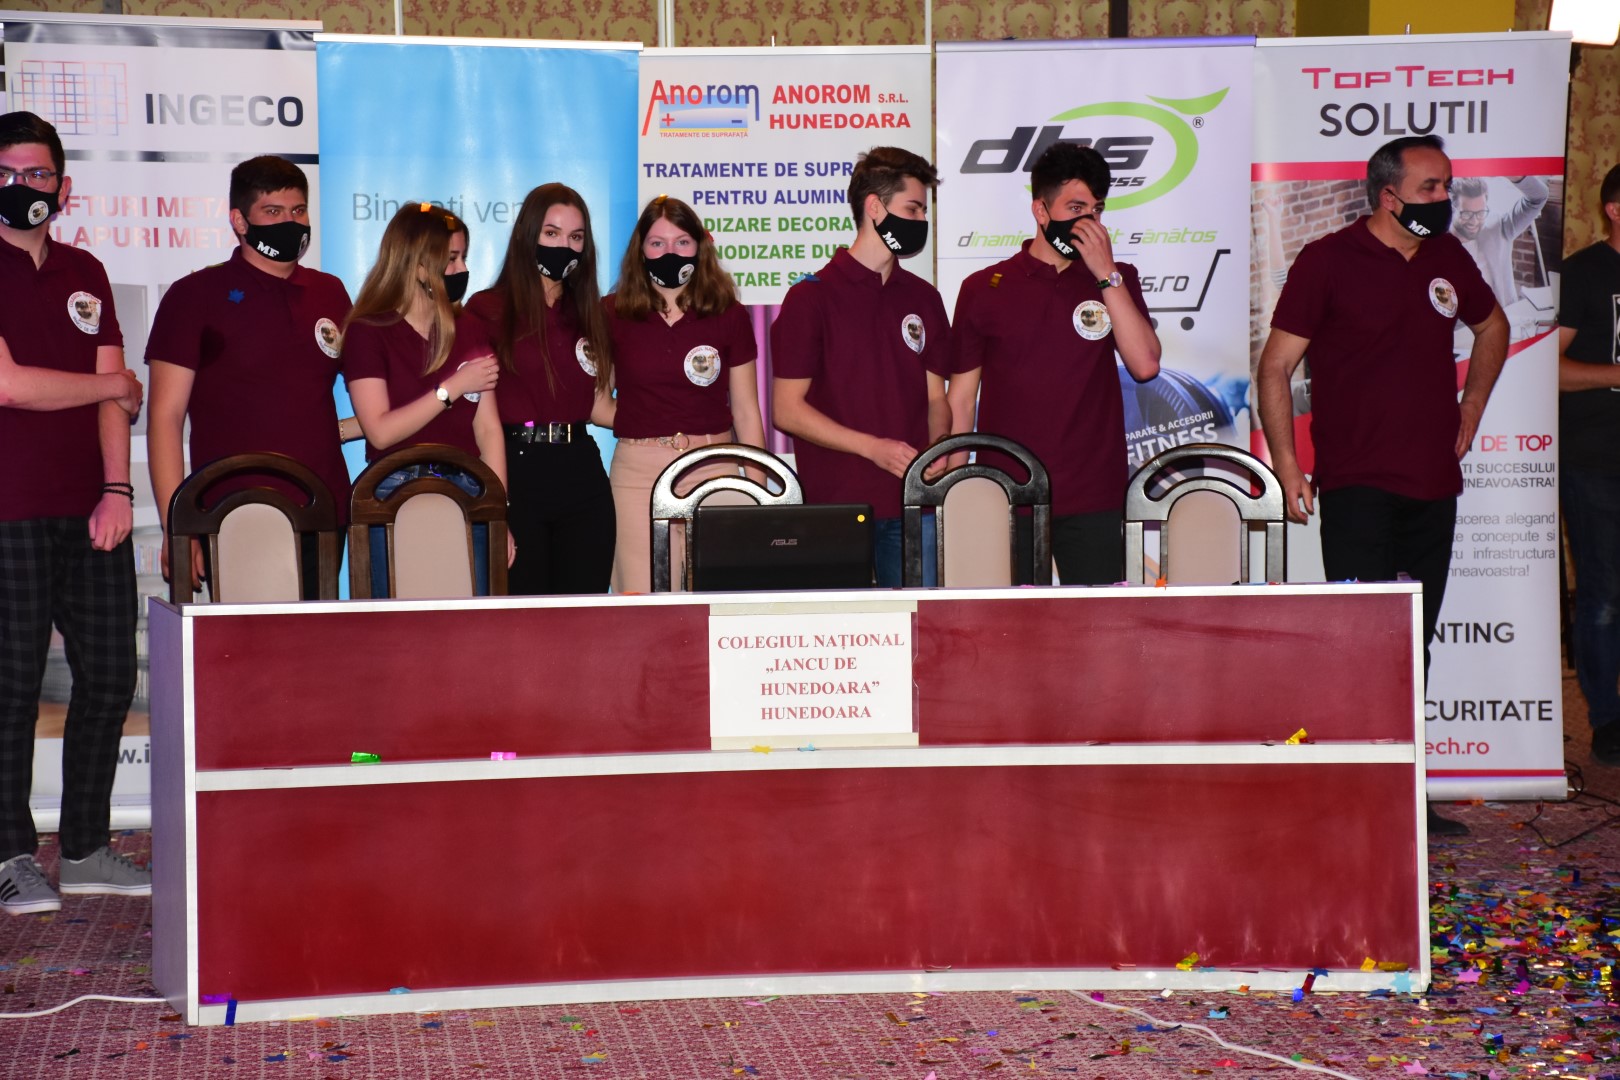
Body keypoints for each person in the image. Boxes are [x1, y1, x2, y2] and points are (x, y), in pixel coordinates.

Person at [1257, 134, 1509, 836]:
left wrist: (1472, 405)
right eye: (1432, 187)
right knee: (1360, 645)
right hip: (1357, 483)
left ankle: (1404, 796)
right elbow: (1274, 367)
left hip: (1433, 482)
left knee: (1413, 646)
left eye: (1448, 185)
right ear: (1389, 196)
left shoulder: (1448, 256)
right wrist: (1287, 464)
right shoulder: (1327, 259)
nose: (1446, 198)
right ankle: (1354, 795)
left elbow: (1493, 327)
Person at [0, 111, 150, 914]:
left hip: (91, 509)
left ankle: (87, 848)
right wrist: (111, 386)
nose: (21, 186)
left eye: (36, 174)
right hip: (9, 510)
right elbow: (11, 386)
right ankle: (11, 854)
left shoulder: (86, 271)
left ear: (63, 186)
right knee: (12, 685)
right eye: (7, 174)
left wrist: (117, 489)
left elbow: (116, 400)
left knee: (111, 675)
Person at [946, 143, 1161, 584]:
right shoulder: (983, 288)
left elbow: (1144, 365)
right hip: (1009, 491)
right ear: (1040, 211)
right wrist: (951, 482)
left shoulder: (1117, 279)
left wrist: (1105, 273)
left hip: (1094, 492)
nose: (1089, 223)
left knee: (1097, 620)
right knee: (1013, 620)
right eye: (1076, 208)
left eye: (1097, 210)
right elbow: (962, 399)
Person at [146, 155, 353, 598]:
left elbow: (369, 396)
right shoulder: (194, 296)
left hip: (323, 508)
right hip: (233, 510)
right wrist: (177, 525)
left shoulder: (330, 292)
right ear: (239, 221)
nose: (290, 222)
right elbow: (165, 417)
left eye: (298, 210)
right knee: (249, 642)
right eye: (273, 212)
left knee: (317, 639)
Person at [770, 146, 951, 587]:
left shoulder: (924, 297)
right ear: (875, 207)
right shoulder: (811, 298)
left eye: (923, 211)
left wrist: (938, 447)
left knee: (920, 626)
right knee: (841, 628)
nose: (921, 221)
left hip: (913, 504)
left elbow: (936, 398)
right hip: (837, 507)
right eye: (912, 209)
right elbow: (786, 410)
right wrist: (871, 447)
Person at [452, 183, 615, 595]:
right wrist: (497, 506)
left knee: (585, 610)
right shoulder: (487, 309)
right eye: (552, 233)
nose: (564, 246)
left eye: (576, 237)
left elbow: (599, 405)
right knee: (524, 613)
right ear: (528, 235)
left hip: (581, 470)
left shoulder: (589, 313)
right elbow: (477, 418)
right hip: (517, 470)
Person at [341, 203, 506, 596]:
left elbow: (488, 430)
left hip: (468, 489)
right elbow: (380, 431)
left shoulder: (470, 328)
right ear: (417, 265)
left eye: (463, 257)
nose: (461, 269)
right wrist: (452, 389)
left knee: (473, 618)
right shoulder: (369, 331)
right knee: (399, 621)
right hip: (395, 489)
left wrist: (499, 513)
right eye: (451, 259)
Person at [605, 195, 765, 593]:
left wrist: (759, 491)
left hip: (714, 465)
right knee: (641, 599)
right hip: (637, 472)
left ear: (699, 247)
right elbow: (595, 404)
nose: (670, 253)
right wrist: (649, 420)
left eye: (682, 242)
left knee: (718, 597)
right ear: (640, 250)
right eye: (657, 243)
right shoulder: (612, 313)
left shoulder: (728, 314)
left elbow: (746, 411)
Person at [1556, 163, 1620, 767]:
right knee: (1604, 593)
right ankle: (1607, 719)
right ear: (1614, 210)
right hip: (1597, 457)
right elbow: (1548, 369)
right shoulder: (1581, 274)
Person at [1450, 175, 1549, 307]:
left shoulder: (1499, 227)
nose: (1474, 221)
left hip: (1506, 314)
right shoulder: (1438, 245)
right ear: (1452, 208)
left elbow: (1539, 198)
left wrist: (1515, 175)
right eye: (1466, 214)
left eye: (1480, 213)